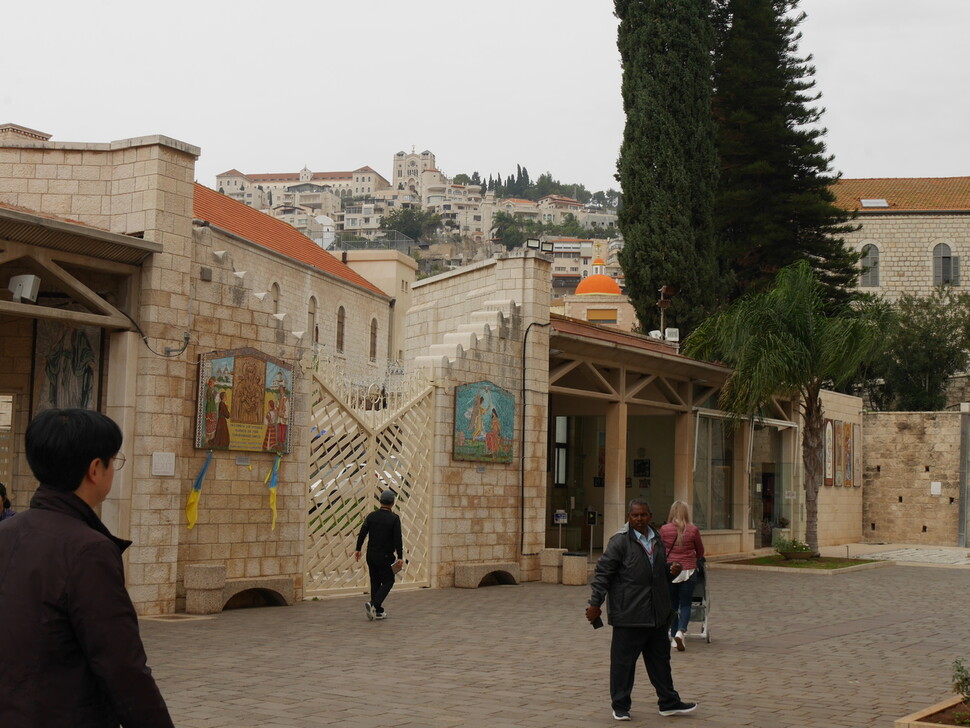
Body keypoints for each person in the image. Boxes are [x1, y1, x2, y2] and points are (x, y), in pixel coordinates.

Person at [0, 408, 174, 727]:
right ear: (96, 469)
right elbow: (122, 666)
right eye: (114, 461)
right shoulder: (88, 550)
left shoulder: (6, 532)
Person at [585, 499, 697, 721]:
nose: (639, 519)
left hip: (656, 614)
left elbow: (655, 571)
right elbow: (603, 574)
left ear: (650, 516)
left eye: (643, 515)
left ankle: (668, 702)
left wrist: (669, 570)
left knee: (660, 662)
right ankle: (620, 705)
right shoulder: (619, 542)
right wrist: (595, 603)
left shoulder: (657, 539)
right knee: (623, 665)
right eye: (635, 515)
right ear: (629, 517)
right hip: (630, 614)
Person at [660, 500, 706, 652]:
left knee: (672, 604)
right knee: (685, 604)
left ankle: (674, 637)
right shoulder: (693, 530)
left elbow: (660, 550)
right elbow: (700, 551)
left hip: (670, 571)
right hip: (688, 570)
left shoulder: (664, 529)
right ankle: (681, 631)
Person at [354, 489, 404, 621]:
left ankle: (377, 611)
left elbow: (363, 532)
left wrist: (358, 549)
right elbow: (397, 538)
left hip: (371, 555)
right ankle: (373, 604)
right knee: (388, 581)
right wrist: (400, 556)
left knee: (375, 581)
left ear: (380, 501)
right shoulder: (394, 519)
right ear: (392, 503)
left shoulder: (371, 516)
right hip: (385, 556)